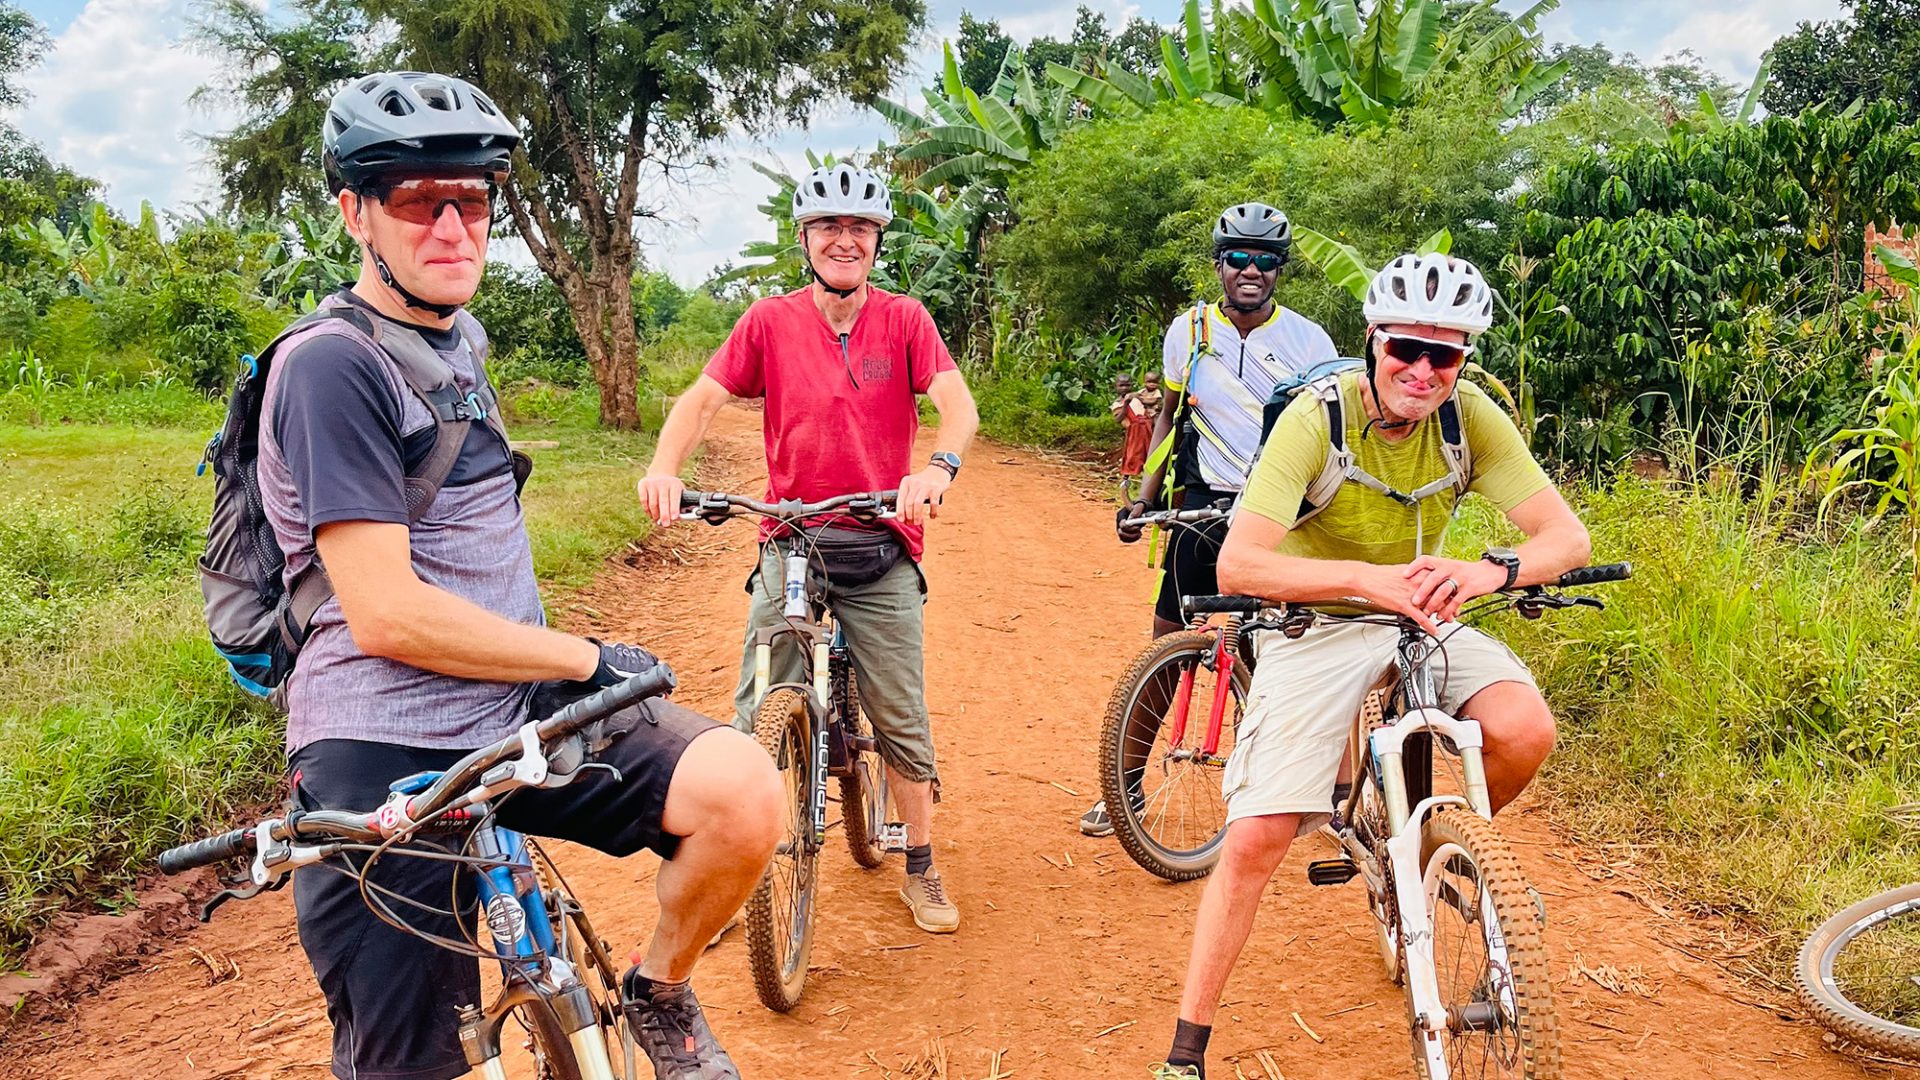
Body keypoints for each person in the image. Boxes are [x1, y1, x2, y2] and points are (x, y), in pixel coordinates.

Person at [264, 71, 781, 1080]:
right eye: (421, 200)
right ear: (354, 213)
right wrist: (586, 654)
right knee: (414, 1062)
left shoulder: (457, 337)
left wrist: (556, 670)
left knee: (743, 795)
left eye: (475, 199)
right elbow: (384, 613)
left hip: (510, 707)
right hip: (382, 741)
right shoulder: (331, 366)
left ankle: (658, 989)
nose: (454, 226)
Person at [1147, 254, 1594, 1079]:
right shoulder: (1319, 418)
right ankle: (1186, 1048)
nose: (1423, 371)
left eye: (1445, 355)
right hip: (1317, 622)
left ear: (1463, 360)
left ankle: (1429, 847)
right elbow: (1240, 566)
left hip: (1428, 613)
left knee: (1526, 731)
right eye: (1405, 350)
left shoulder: (1472, 419)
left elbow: (1567, 538)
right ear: (1373, 343)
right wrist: (1363, 580)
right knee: (1258, 835)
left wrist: (1486, 570)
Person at [637, 162, 981, 935]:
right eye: (829, 227)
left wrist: (938, 466)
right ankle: (727, 873)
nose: (845, 240)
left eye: (859, 228)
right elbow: (703, 399)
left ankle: (920, 863)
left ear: (876, 242)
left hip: (881, 542)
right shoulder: (768, 321)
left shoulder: (906, 320)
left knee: (899, 713)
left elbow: (956, 404)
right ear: (804, 239)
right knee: (756, 710)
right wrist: (664, 468)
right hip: (791, 539)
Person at [1081, 201, 1337, 838]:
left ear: (1280, 270)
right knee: (1169, 644)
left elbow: (1332, 432)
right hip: (1201, 503)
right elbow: (1169, 418)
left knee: (1274, 656)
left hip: (1280, 515)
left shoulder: (1310, 341)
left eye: (1266, 261)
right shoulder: (1188, 331)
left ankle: (1287, 798)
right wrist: (1142, 497)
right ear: (1220, 265)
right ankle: (1126, 790)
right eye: (1239, 259)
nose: (1251, 271)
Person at [1112, 373, 1154, 498]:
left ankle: (1150, 479)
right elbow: (1118, 419)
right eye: (1121, 385)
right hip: (1134, 432)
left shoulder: (1138, 397)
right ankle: (1127, 478)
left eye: (1127, 385)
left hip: (1147, 428)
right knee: (1132, 454)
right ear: (1116, 387)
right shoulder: (1117, 403)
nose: (1125, 388)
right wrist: (1126, 404)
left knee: (1150, 452)